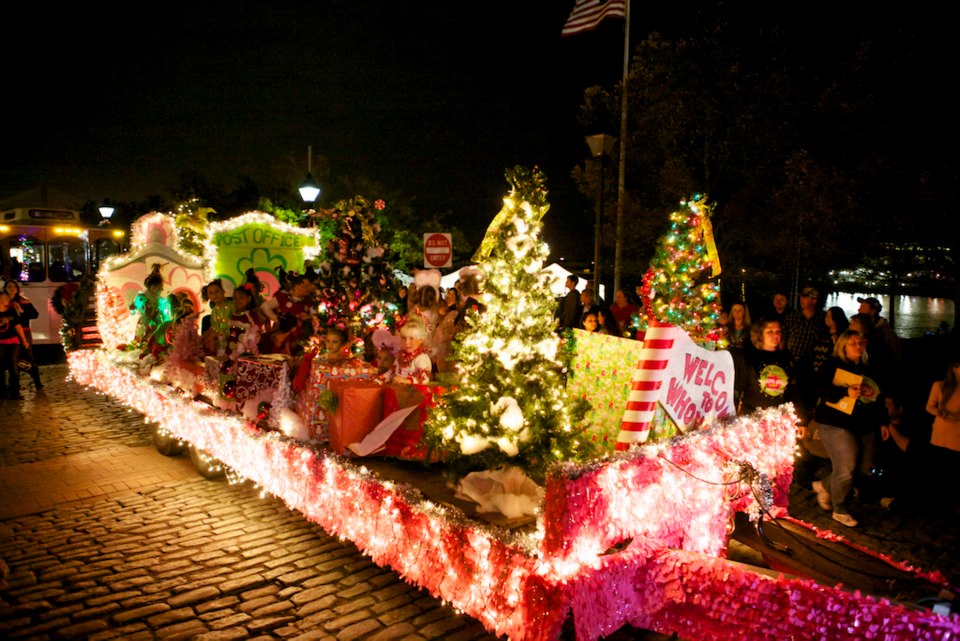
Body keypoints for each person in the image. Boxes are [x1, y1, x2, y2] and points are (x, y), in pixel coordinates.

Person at [810, 330, 884, 527]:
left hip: (862, 424)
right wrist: (845, 391)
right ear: (843, 346)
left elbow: (878, 396)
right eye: (853, 343)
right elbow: (819, 389)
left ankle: (825, 485)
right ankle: (840, 509)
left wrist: (883, 421)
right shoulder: (832, 365)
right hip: (835, 423)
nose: (858, 347)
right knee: (846, 467)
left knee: (862, 467)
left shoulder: (868, 367)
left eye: (860, 343)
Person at [734, 318, 801, 416]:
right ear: (760, 334)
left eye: (778, 331)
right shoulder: (748, 357)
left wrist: (801, 419)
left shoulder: (787, 357)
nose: (775, 335)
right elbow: (738, 388)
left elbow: (796, 390)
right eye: (770, 332)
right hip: (752, 419)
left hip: (780, 419)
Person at [925, 357, 960, 510]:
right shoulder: (940, 386)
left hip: (957, 436)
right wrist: (943, 414)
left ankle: (952, 503)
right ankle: (938, 502)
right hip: (941, 434)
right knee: (940, 469)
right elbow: (929, 407)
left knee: (954, 470)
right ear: (954, 368)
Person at [4, 281, 42, 390]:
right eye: (9, 286)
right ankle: (12, 384)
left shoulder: (23, 301)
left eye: (14, 286)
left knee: (28, 355)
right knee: (10, 358)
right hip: (7, 333)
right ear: (5, 288)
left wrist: (21, 311)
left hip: (24, 331)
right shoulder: (3, 301)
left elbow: (35, 315)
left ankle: (37, 381)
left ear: (17, 289)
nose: (11, 289)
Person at [382, 317, 432, 385]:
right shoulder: (401, 356)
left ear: (421, 340)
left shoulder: (421, 358)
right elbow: (391, 372)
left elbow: (424, 378)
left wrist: (406, 381)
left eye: (412, 338)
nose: (407, 342)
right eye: (404, 338)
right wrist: (380, 379)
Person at [0, 291, 29, 400]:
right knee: (1, 367)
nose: (8, 300)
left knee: (14, 366)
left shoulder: (11, 311)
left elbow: (18, 326)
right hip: (0, 343)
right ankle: (2, 392)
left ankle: (15, 392)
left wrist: (24, 340)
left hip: (13, 342)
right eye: (5, 298)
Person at [857, 296, 902, 364]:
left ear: (873, 312)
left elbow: (895, 353)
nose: (859, 310)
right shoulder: (861, 327)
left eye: (862, 308)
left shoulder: (885, 331)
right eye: (860, 307)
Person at [200, 279, 233, 357]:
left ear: (223, 291)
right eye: (211, 293)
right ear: (208, 296)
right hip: (220, 343)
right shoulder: (214, 310)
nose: (214, 295)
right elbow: (215, 326)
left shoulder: (231, 305)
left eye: (217, 291)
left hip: (232, 340)